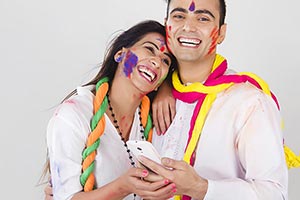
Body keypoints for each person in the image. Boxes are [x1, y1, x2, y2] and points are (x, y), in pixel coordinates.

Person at [139, 0, 299, 199]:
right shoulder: (147, 90)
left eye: (203, 18)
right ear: (166, 25)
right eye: (179, 16)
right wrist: (164, 87)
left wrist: (201, 188)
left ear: (221, 32)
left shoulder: (249, 102)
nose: (188, 26)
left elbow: (275, 193)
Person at [44, 20, 178, 200]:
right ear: (120, 54)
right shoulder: (74, 115)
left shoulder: (159, 119)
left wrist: (167, 88)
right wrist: (123, 187)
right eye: (149, 49)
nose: (156, 61)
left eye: (165, 61)